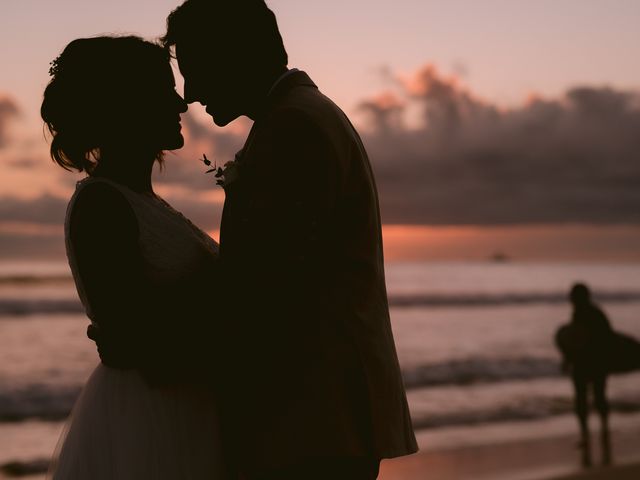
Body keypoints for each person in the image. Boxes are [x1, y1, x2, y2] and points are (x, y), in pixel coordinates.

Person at [42, 36, 229, 479]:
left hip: (187, 407)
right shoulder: (102, 205)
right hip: (153, 417)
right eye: (165, 91)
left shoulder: (140, 200)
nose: (181, 105)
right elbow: (139, 342)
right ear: (126, 105)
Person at [555, 283, 614, 467]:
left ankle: (592, 434)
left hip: (589, 363)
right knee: (595, 397)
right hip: (593, 364)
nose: (570, 300)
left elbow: (579, 339)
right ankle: (597, 433)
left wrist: (567, 359)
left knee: (588, 399)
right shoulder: (593, 313)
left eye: (573, 296)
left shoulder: (587, 314)